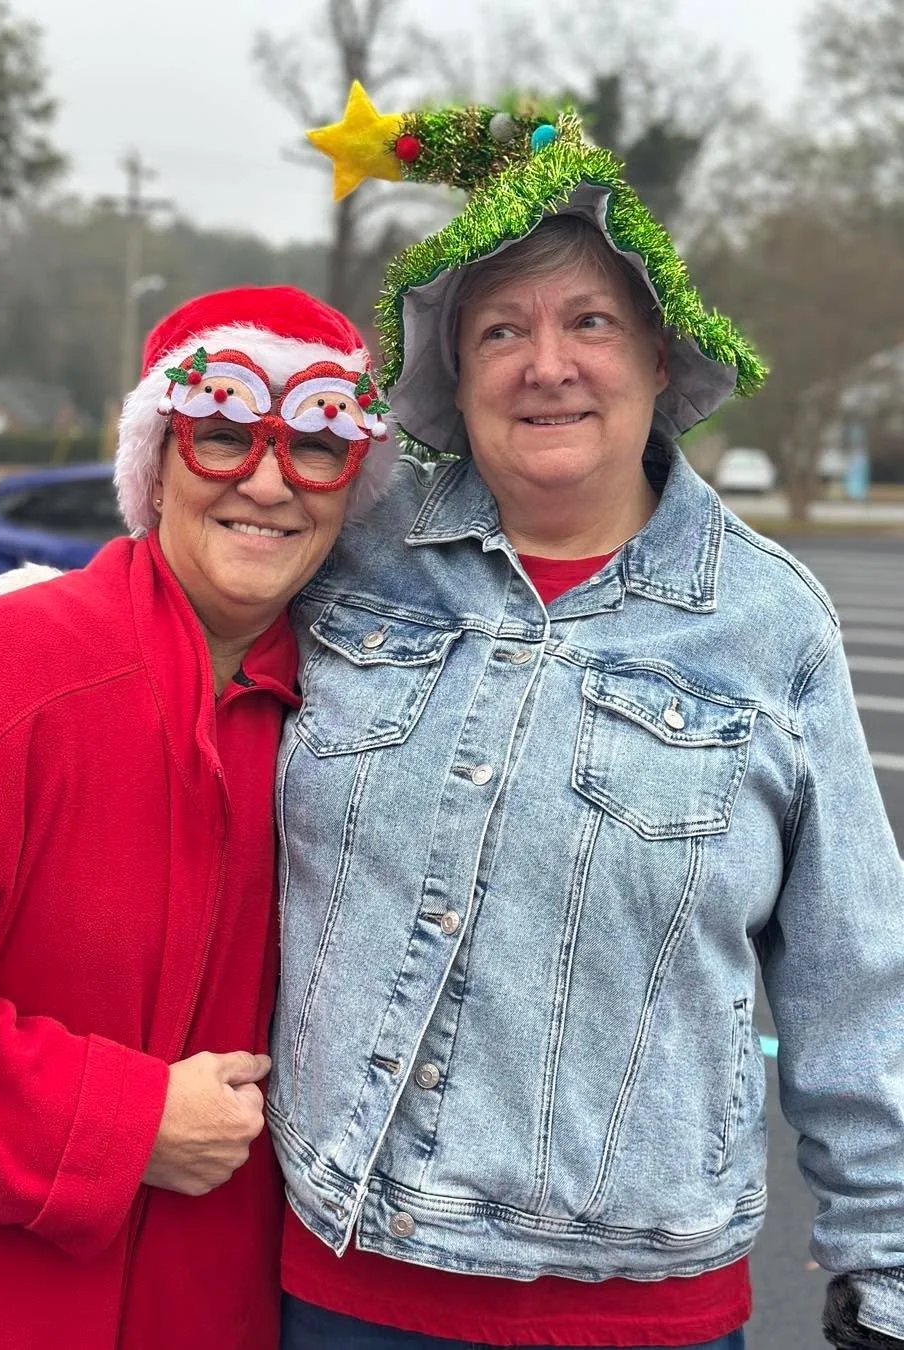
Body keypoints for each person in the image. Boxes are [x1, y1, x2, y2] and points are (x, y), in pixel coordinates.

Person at [270, 86, 904, 1350]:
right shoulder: (354, 555)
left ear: (659, 359)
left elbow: (856, 983)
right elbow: (178, 617)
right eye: (500, 329)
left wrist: (886, 1274)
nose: (547, 362)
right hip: (337, 1278)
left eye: (591, 322)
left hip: (640, 1308)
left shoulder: (771, 624)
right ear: (453, 374)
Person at [0, 284, 396, 1350]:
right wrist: (119, 1124)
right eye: (222, 434)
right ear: (157, 464)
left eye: (318, 448)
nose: (269, 481)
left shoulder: (354, 732)